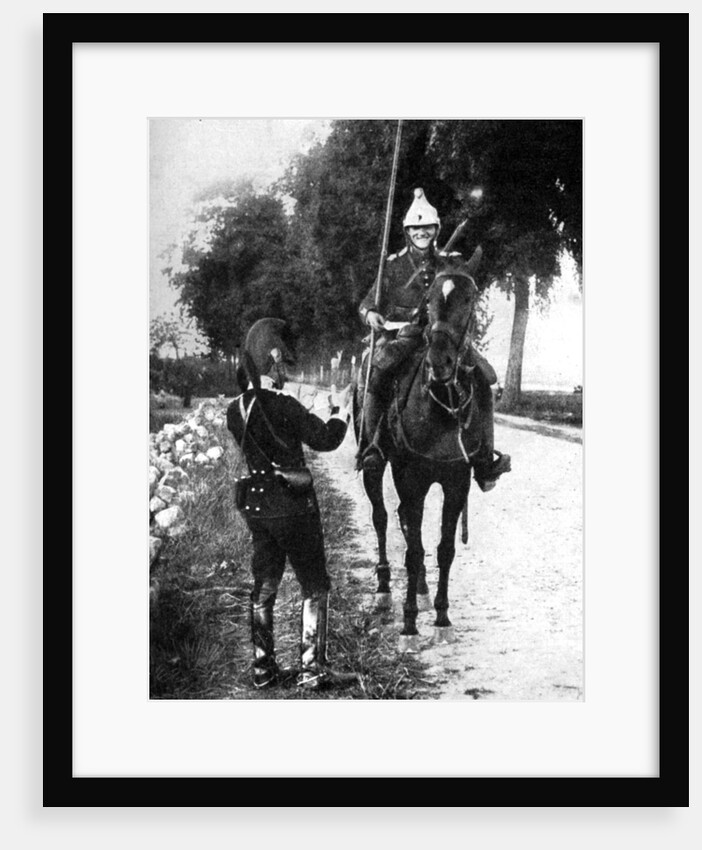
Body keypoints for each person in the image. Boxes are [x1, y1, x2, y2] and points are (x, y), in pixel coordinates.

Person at [226, 318, 354, 690]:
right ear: (274, 357)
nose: (285, 371)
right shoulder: (283, 405)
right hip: (294, 508)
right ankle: (313, 670)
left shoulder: (236, 410)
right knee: (315, 586)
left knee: (264, 586)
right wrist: (339, 410)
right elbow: (326, 440)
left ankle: (263, 670)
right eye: (283, 364)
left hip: (258, 508)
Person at [358, 187, 511, 492]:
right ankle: (372, 446)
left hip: (441, 335)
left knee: (483, 377)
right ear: (407, 232)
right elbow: (366, 303)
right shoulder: (392, 265)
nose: (422, 234)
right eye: (416, 229)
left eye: (427, 228)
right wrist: (371, 315)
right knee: (377, 371)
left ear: (436, 230)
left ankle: (484, 460)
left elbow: (462, 288)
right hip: (402, 332)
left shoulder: (448, 260)